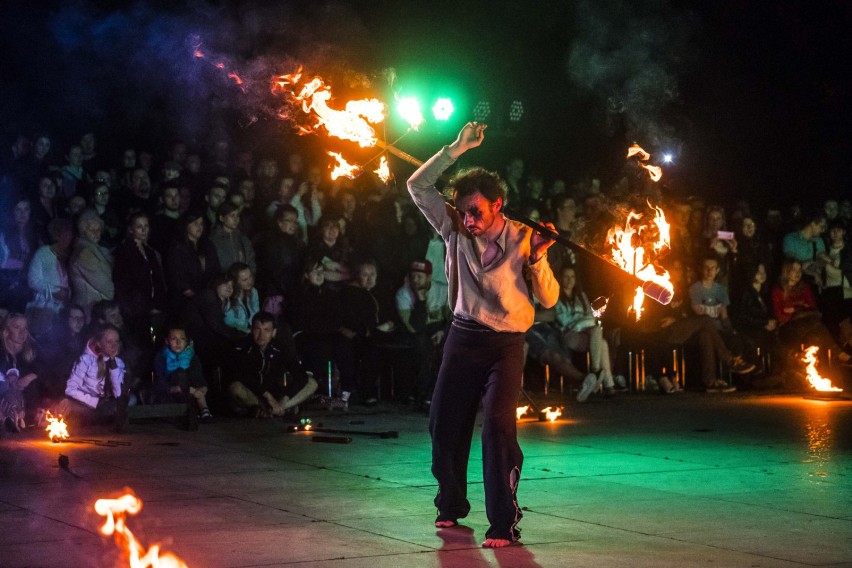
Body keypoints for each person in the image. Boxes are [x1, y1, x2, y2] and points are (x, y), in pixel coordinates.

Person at [407, 122, 558, 548]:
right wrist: (455, 149)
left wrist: (539, 259)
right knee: (443, 422)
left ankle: (503, 523)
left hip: (505, 345)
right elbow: (418, 186)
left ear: (498, 205)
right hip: (463, 336)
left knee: (496, 427)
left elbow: (547, 299)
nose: (469, 219)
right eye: (463, 210)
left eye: (476, 210)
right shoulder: (453, 226)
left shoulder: (524, 237)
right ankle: (450, 503)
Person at [227, 312, 318, 418]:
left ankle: (278, 409)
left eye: (266, 330)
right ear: (252, 329)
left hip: (276, 394)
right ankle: (270, 410)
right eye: (258, 329)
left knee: (312, 383)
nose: (261, 335)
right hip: (253, 394)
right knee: (235, 388)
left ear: (274, 332)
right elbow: (243, 376)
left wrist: (285, 399)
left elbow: (300, 375)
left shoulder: (280, 348)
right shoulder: (242, 347)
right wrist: (267, 396)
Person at [57, 325, 129, 432]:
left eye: (116, 342)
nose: (114, 346)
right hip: (85, 406)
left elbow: (118, 393)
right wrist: (94, 402)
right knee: (68, 407)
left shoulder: (118, 363)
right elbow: (70, 389)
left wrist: (112, 363)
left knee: (122, 403)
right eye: (109, 342)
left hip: (105, 408)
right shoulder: (85, 360)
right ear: (99, 343)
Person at [152, 325, 212, 423]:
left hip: (192, 394)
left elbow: (199, 378)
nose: (178, 342)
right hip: (171, 395)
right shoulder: (161, 358)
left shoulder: (192, 358)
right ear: (167, 341)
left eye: (182, 339)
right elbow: (160, 382)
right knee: (179, 373)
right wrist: (180, 389)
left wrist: (202, 390)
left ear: (187, 341)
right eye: (174, 339)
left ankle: (202, 409)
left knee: (185, 376)